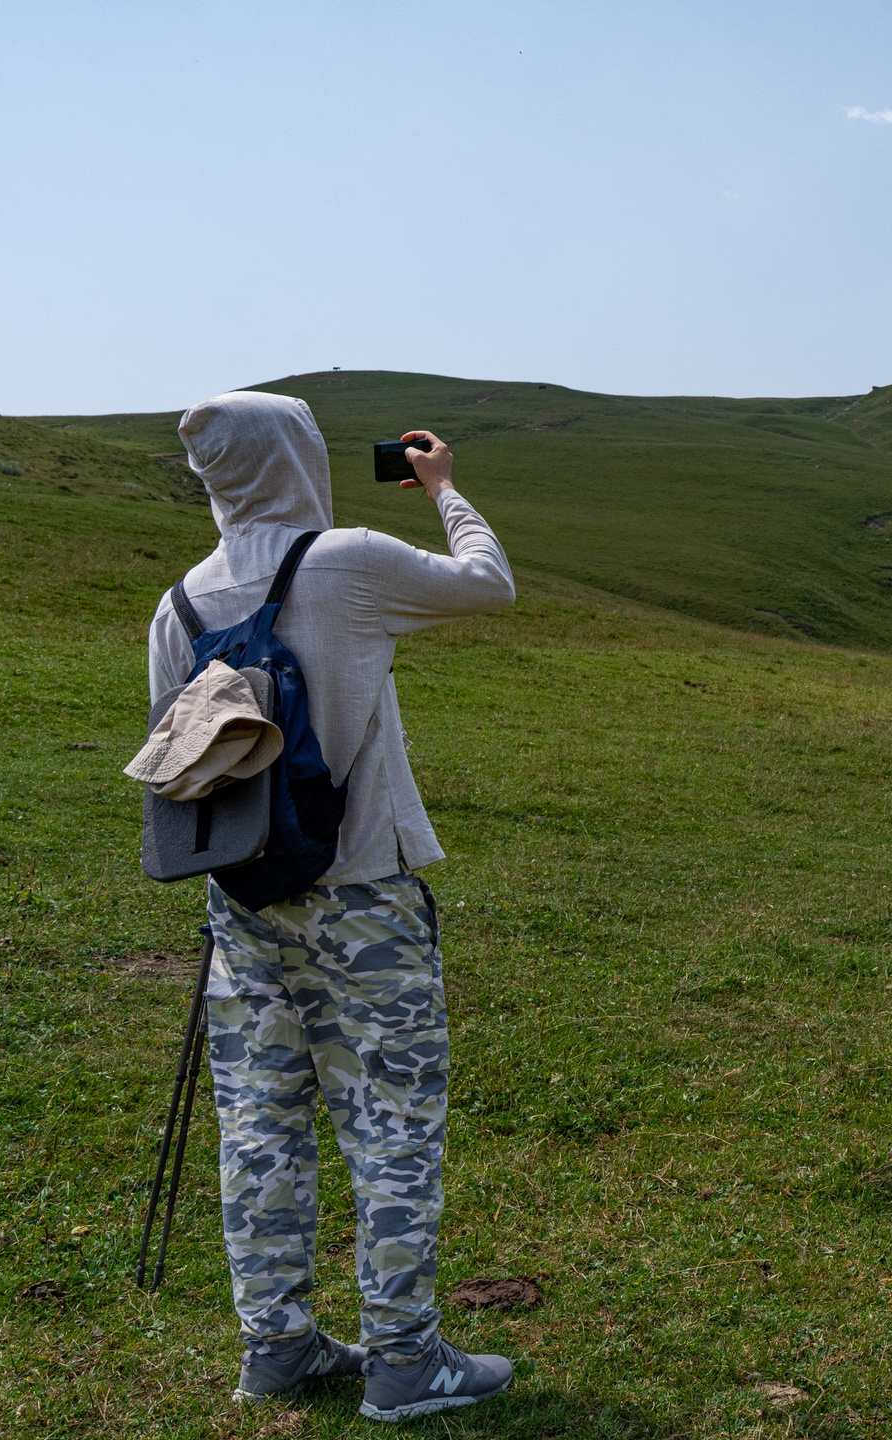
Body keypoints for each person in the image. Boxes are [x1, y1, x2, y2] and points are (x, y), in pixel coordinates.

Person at [148, 392, 520, 1421]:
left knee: (259, 1127)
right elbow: (489, 588)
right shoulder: (347, 560)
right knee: (391, 1122)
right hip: (362, 894)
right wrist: (444, 490)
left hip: (243, 905)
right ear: (300, 458)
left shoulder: (176, 607)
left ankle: (277, 1347)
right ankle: (405, 1360)